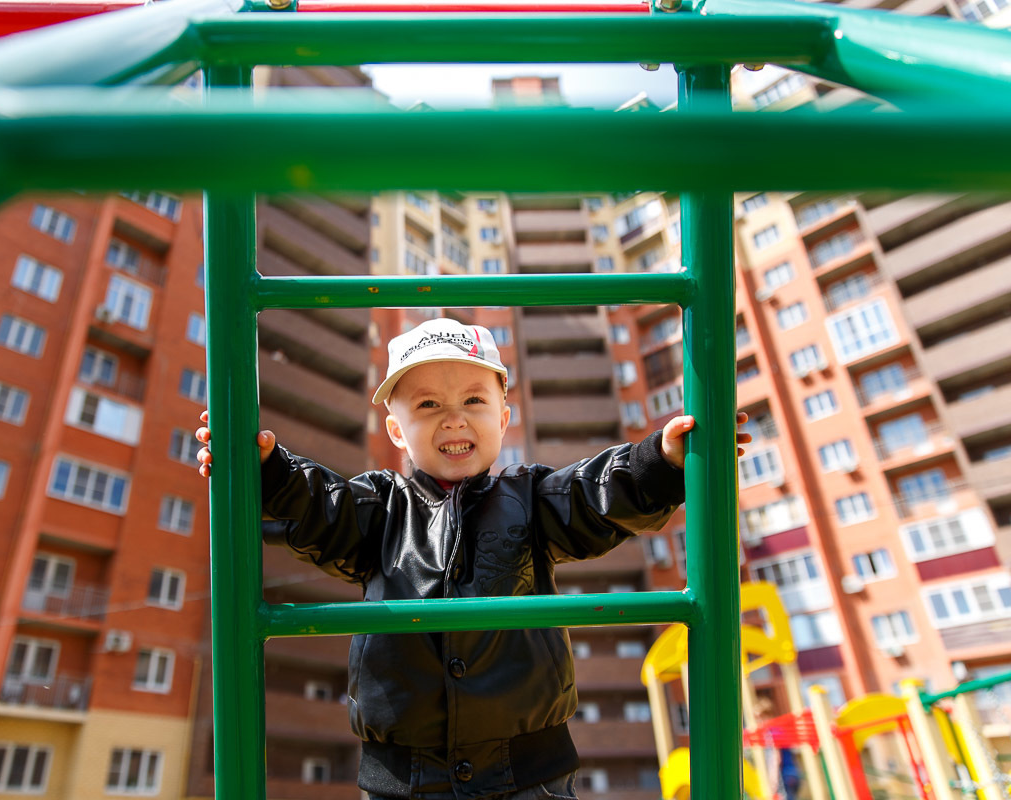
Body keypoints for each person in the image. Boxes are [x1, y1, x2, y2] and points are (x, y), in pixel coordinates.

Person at [196, 318, 749, 800]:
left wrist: (661, 461)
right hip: (404, 780)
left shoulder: (532, 499)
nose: (454, 419)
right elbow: (321, 508)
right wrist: (268, 471)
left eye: (474, 401)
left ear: (505, 418)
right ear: (397, 430)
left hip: (529, 771)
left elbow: (595, 494)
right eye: (429, 404)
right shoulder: (379, 508)